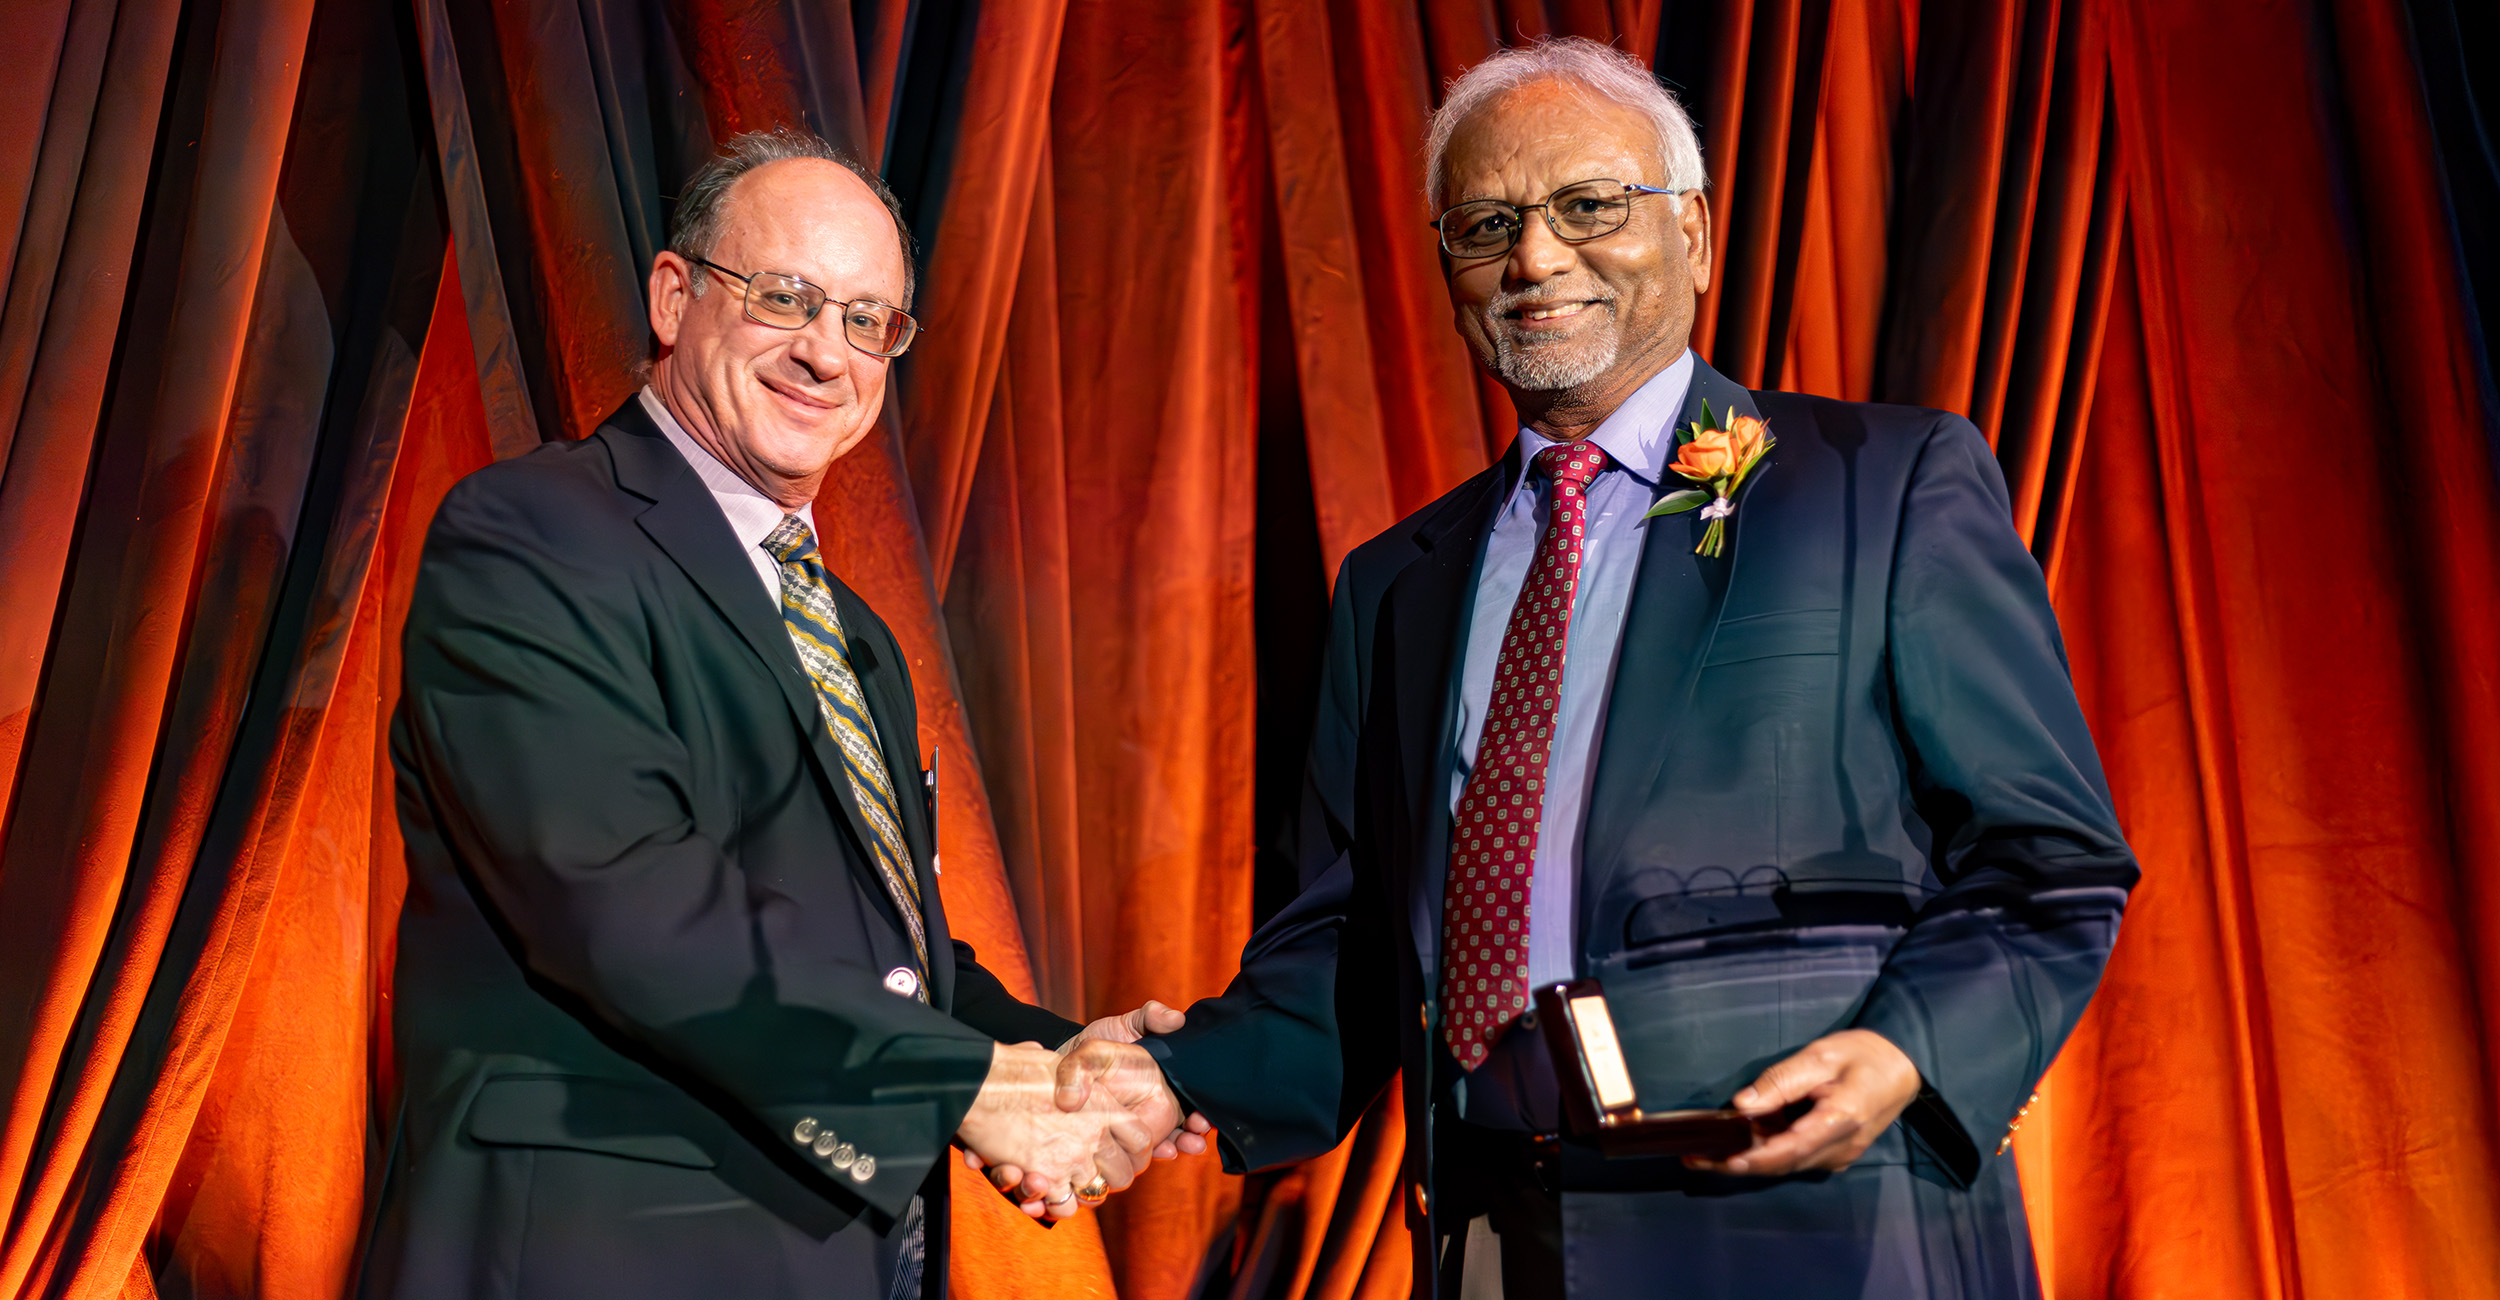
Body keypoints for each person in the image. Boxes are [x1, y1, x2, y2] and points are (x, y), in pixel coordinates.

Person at [1041, 38, 2136, 1299]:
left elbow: (2049, 857)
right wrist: (1168, 1080)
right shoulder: (1394, 585)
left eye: (1588, 206)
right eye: (1486, 224)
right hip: (1494, 1236)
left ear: (1695, 235)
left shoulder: (1880, 486)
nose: (1534, 259)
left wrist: (1907, 1052)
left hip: (1822, 1221)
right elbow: (1352, 941)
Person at [365, 128, 1198, 1300]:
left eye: (867, 321)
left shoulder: (854, 632)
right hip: (598, 1260)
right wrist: (961, 1086)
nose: (825, 351)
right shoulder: (533, 534)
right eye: (785, 298)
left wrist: (1057, 1061)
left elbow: (879, 951)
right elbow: (626, 898)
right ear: (673, 297)